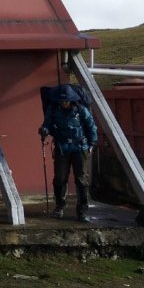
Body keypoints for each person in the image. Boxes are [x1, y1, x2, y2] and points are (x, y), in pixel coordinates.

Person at [40, 85, 98, 221]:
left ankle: (82, 211)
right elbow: (47, 123)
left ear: (72, 100)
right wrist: (44, 129)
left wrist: (91, 143)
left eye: (66, 101)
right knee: (60, 178)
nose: (64, 103)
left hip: (80, 147)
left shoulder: (81, 110)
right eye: (61, 101)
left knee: (82, 179)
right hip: (62, 147)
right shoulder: (53, 109)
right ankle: (60, 205)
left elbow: (91, 126)